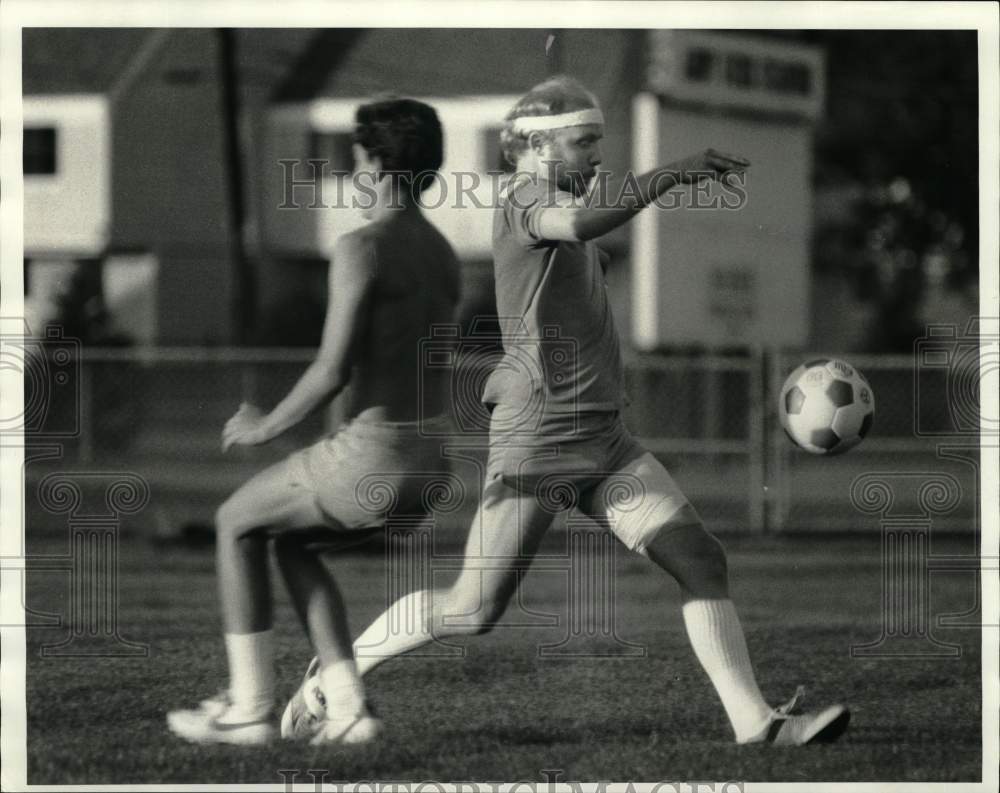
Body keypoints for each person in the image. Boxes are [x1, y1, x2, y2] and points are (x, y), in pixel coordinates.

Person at [284, 75, 850, 747]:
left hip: (605, 443)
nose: (596, 156)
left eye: (598, 143)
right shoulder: (526, 197)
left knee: (701, 558)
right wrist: (674, 173)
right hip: (541, 444)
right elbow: (580, 218)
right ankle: (329, 679)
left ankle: (757, 724)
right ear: (537, 148)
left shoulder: (562, 216)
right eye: (585, 143)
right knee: (472, 609)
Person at [166, 97, 461, 746]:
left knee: (234, 522)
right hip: (432, 463)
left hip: (374, 456)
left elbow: (332, 369)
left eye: (357, 163)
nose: (354, 178)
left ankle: (246, 709)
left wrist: (263, 424)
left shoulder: (361, 246)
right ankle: (349, 705)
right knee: (291, 541)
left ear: (381, 167)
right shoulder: (443, 254)